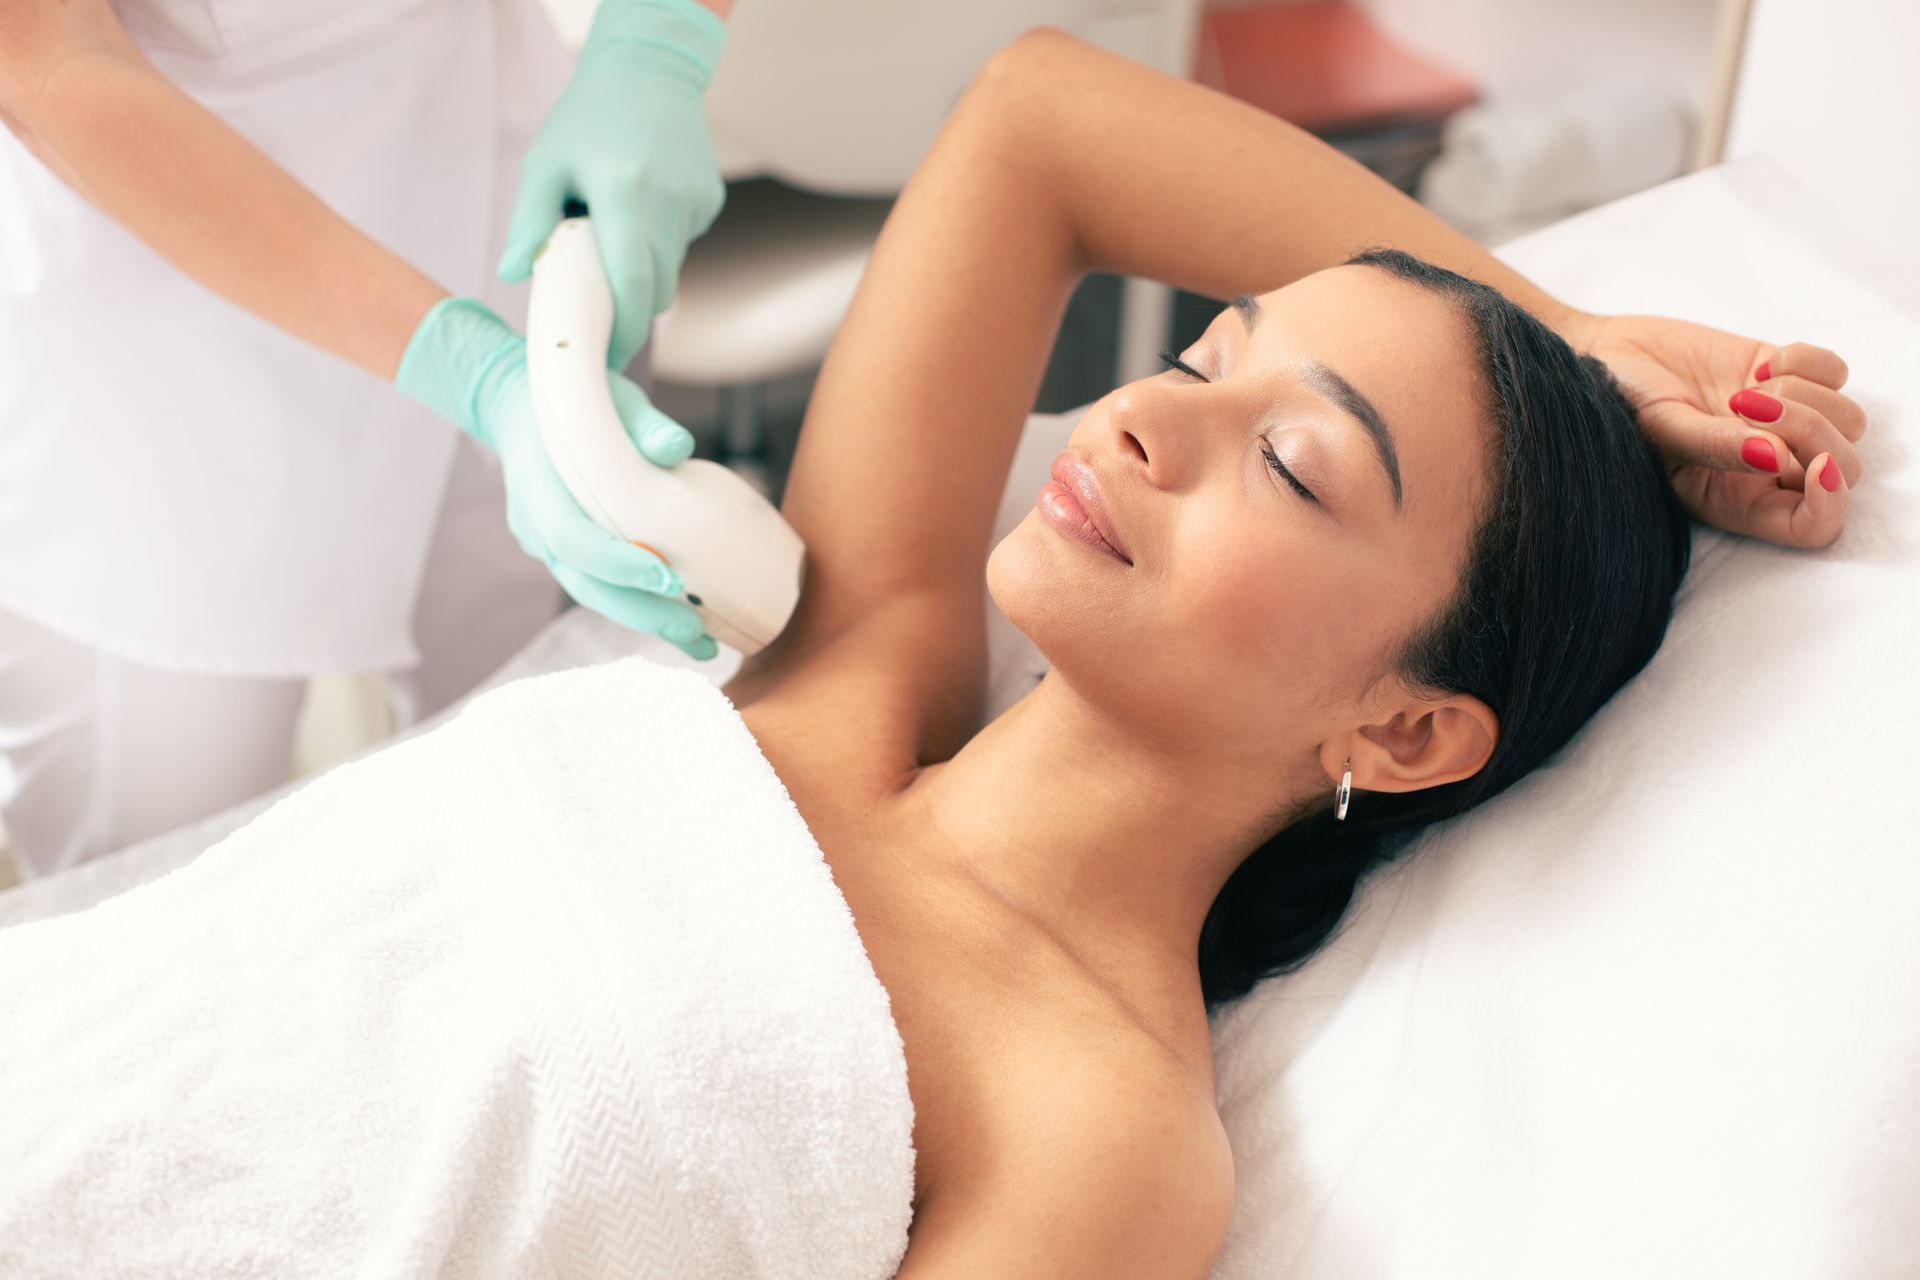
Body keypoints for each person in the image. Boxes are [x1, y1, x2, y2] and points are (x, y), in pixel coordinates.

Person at [0, 28, 1866, 1278]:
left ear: (1409, 728)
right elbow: (1045, 120)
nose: (1141, 418)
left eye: (1294, 465)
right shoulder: (856, 663)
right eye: (1204, 355)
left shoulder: (1097, 1138)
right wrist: (1572, 333)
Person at [0, 0, 731, 879]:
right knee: (159, 860)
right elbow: (49, 66)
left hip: (475, 159)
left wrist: (658, 38)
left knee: (528, 781)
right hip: (153, 302)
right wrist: (471, 372)